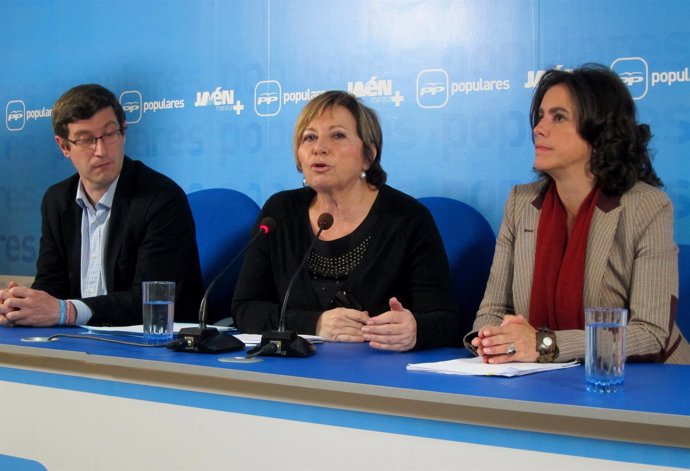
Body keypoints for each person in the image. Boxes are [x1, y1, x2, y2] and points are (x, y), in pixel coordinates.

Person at [466, 64, 690, 364]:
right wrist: (491, 341)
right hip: (546, 379)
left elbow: (650, 334)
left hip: (645, 383)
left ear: (600, 133)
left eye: (558, 117)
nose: (539, 128)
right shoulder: (521, 203)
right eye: (540, 116)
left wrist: (543, 344)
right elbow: (492, 310)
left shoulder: (647, 207)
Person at [232, 91, 464, 351]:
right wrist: (315, 324)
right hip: (290, 377)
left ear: (368, 155)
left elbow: (447, 322)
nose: (319, 147)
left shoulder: (408, 219)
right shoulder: (279, 213)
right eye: (309, 137)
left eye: (338, 135)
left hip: (379, 379)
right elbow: (245, 308)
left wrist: (415, 331)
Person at [0, 84, 203, 327]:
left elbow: (150, 301)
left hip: (152, 346)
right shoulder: (56, 201)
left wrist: (68, 311)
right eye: (86, 139)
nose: (101, 150)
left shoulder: (161, 199)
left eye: (110, 134)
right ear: (64, 146)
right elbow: (51, 283)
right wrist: (21, 305)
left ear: (123, 133)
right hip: (76, 341)